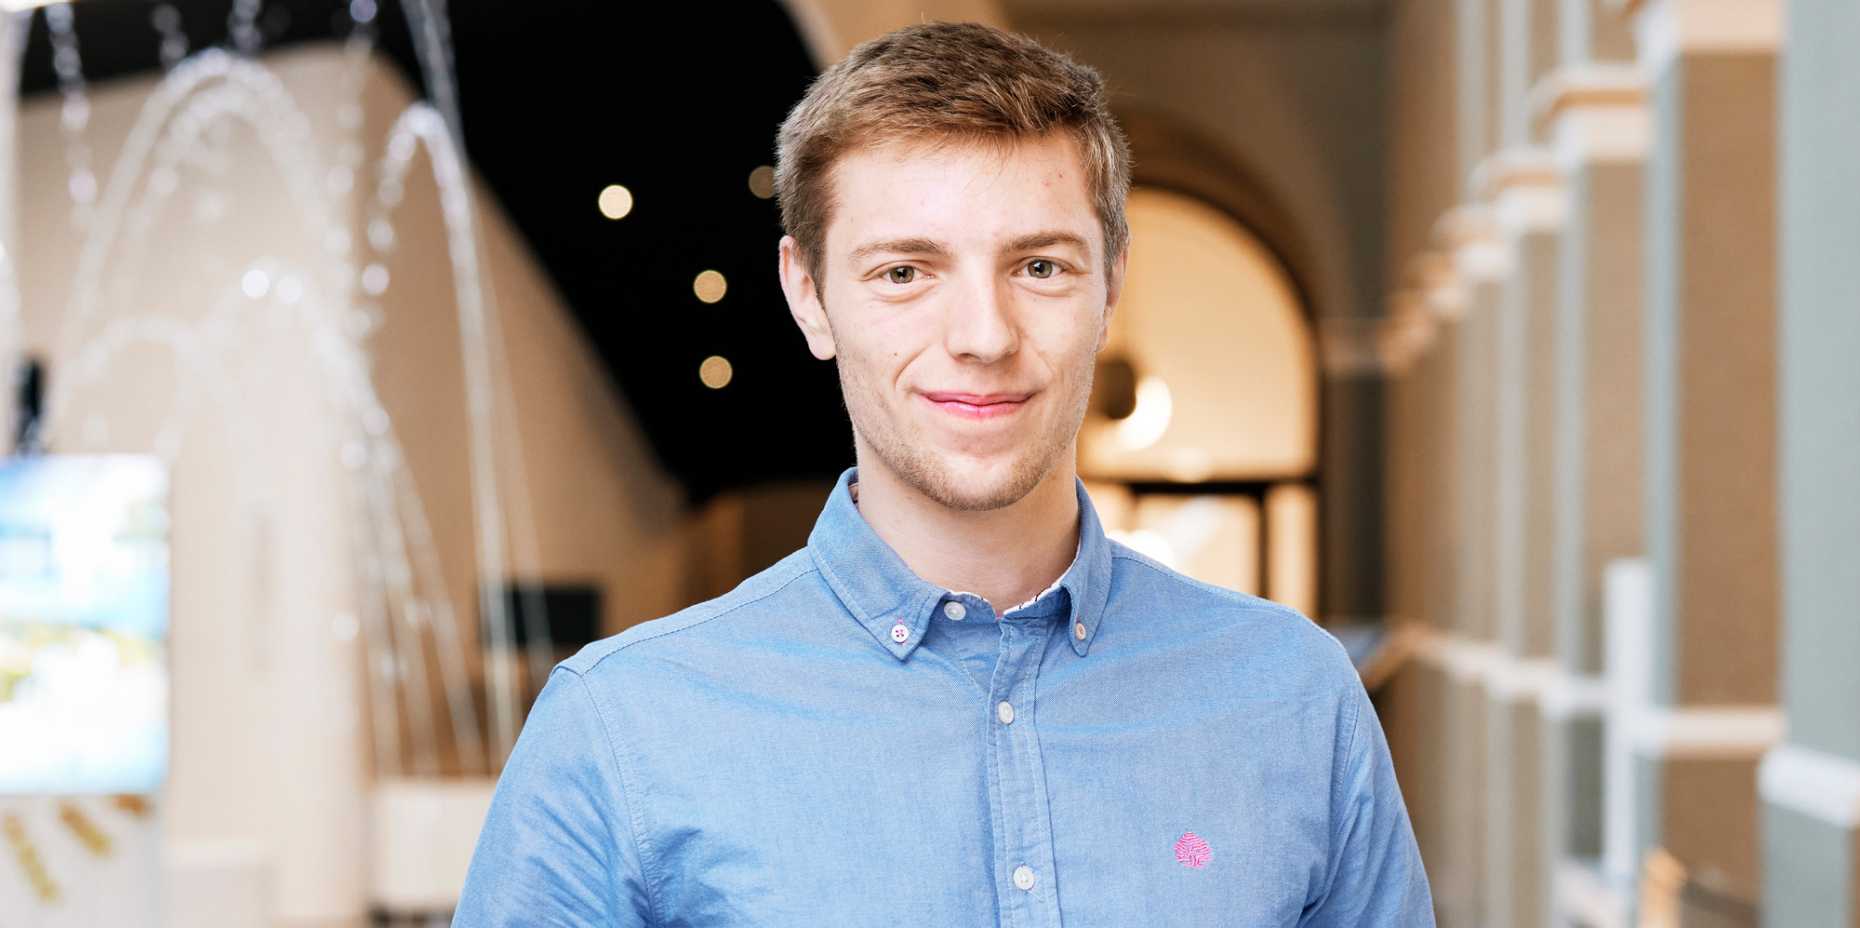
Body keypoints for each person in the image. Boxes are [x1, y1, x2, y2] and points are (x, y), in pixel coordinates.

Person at [453, 21, 1432, 927]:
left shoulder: (1297, 701)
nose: (982, 337)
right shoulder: (622, 730)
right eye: (905, 273)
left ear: (1112, 285)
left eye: (1040, 266)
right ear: (810, 296)